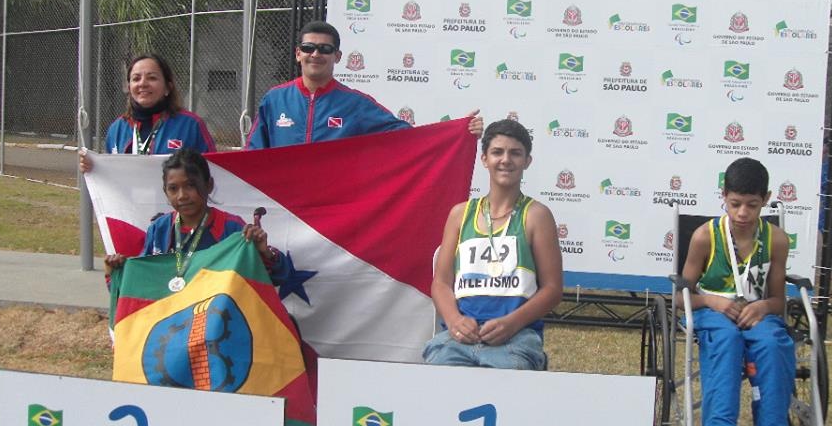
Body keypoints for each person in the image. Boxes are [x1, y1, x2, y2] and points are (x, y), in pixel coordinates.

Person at [423, 119, 562, 369]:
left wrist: (512, 323)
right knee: (437, 389)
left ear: (527, 161)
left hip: (516, 338)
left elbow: (552, 289)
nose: (506, 160)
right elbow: (441, 283)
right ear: (484, 159)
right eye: (497, 152)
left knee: (507, 391)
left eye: (515, 153)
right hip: (459, 339)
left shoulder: (536, 215)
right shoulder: (460, 214)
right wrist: (454, 320)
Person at [680, 157, 795, 426]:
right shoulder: (705, 236)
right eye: (735, 204)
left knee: (772, 344)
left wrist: (764, 306)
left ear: (766, 200)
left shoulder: (777, 240)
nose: (742, 213)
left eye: (752, 205)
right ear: (724, 197)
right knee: (726, 339)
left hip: (758, 314)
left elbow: (778, 301)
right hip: (713, 312)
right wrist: (711, 301)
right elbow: (680, 298)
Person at [246, 20, 482, 148]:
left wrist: (458, 131)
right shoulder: (275, 99)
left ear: (337, 57)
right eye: (309, 48)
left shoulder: (355, 104)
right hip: (282, 205)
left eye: (325, 49)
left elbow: (407, 138)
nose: (316, 54)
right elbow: (252, 155)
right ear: (298, 54)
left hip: (329, 210)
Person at [103, 148, 278, 284]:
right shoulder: (159, 229)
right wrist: (115, 272)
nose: (182, 196)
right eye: (173, 189)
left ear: (209, 185)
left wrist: (264, 254)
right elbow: (141, 282)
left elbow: (263, 281)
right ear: (165, 192)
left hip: (217, 322)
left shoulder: (232, 228)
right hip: (169, 321)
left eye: (190, 185)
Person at [80, 54, 215, 171]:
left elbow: (213, 171)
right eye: (136, 78)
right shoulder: (117, 129)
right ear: (129, 87)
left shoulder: (191, 125)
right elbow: (112, 176)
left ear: (168, 87)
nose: (143, 84)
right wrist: (95, 168)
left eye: (152, 78)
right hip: (128, 201)